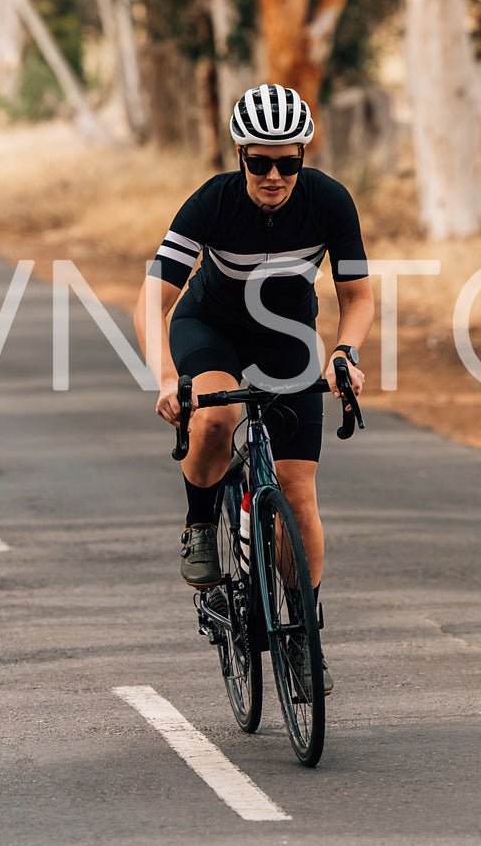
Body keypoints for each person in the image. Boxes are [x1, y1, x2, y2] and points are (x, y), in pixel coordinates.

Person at [133, 84, 373, 699]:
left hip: (287, 334)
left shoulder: (328, 201)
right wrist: (167, 377)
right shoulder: (210, 204)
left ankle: (304, 630)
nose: (273, 175)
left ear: (303, 157)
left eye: (287, 162)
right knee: (217, 419)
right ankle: (198, 526)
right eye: (259, 162)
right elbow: (151, 301)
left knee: (298, 495)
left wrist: (346, 354)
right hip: (209, 326)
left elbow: (357, 297)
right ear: (239, 155)